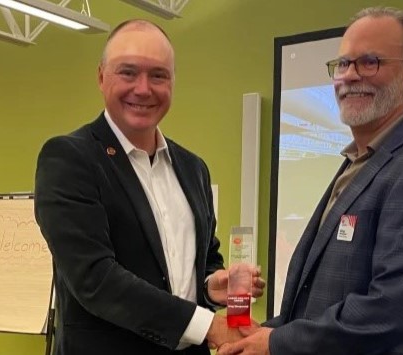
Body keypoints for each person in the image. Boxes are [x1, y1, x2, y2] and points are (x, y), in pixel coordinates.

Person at [218, 7, 403, 355]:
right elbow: (319, 301)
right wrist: (263, 333)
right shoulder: (359, 161)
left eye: (370, 62)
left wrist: (277, 342)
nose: (350, 76)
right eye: (342, 64)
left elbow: (392, 312)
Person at [34, 19, 264, 355]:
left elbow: (200, 261)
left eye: (158, 75)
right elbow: (95, 279)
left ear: (173, 82)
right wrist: (208, 326)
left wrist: (210, 286)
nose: (143, 89)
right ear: (101, 77)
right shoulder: (69, 159)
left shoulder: (193, 168)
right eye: (128, 72)